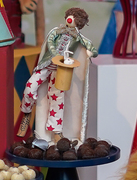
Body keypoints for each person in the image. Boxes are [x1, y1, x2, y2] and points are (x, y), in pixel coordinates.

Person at [17, 8, 96, 143]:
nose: (70, 19)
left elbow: (89, 46)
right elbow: (50, 41)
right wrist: (54, 52)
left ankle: (56, 130)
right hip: (46, 64)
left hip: (60, 69)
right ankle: (27, 112)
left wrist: (91, 52)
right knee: (30, 87)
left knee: (57, 98)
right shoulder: (57, 31)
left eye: (74, 18)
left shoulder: (78, 37)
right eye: (70, 16)